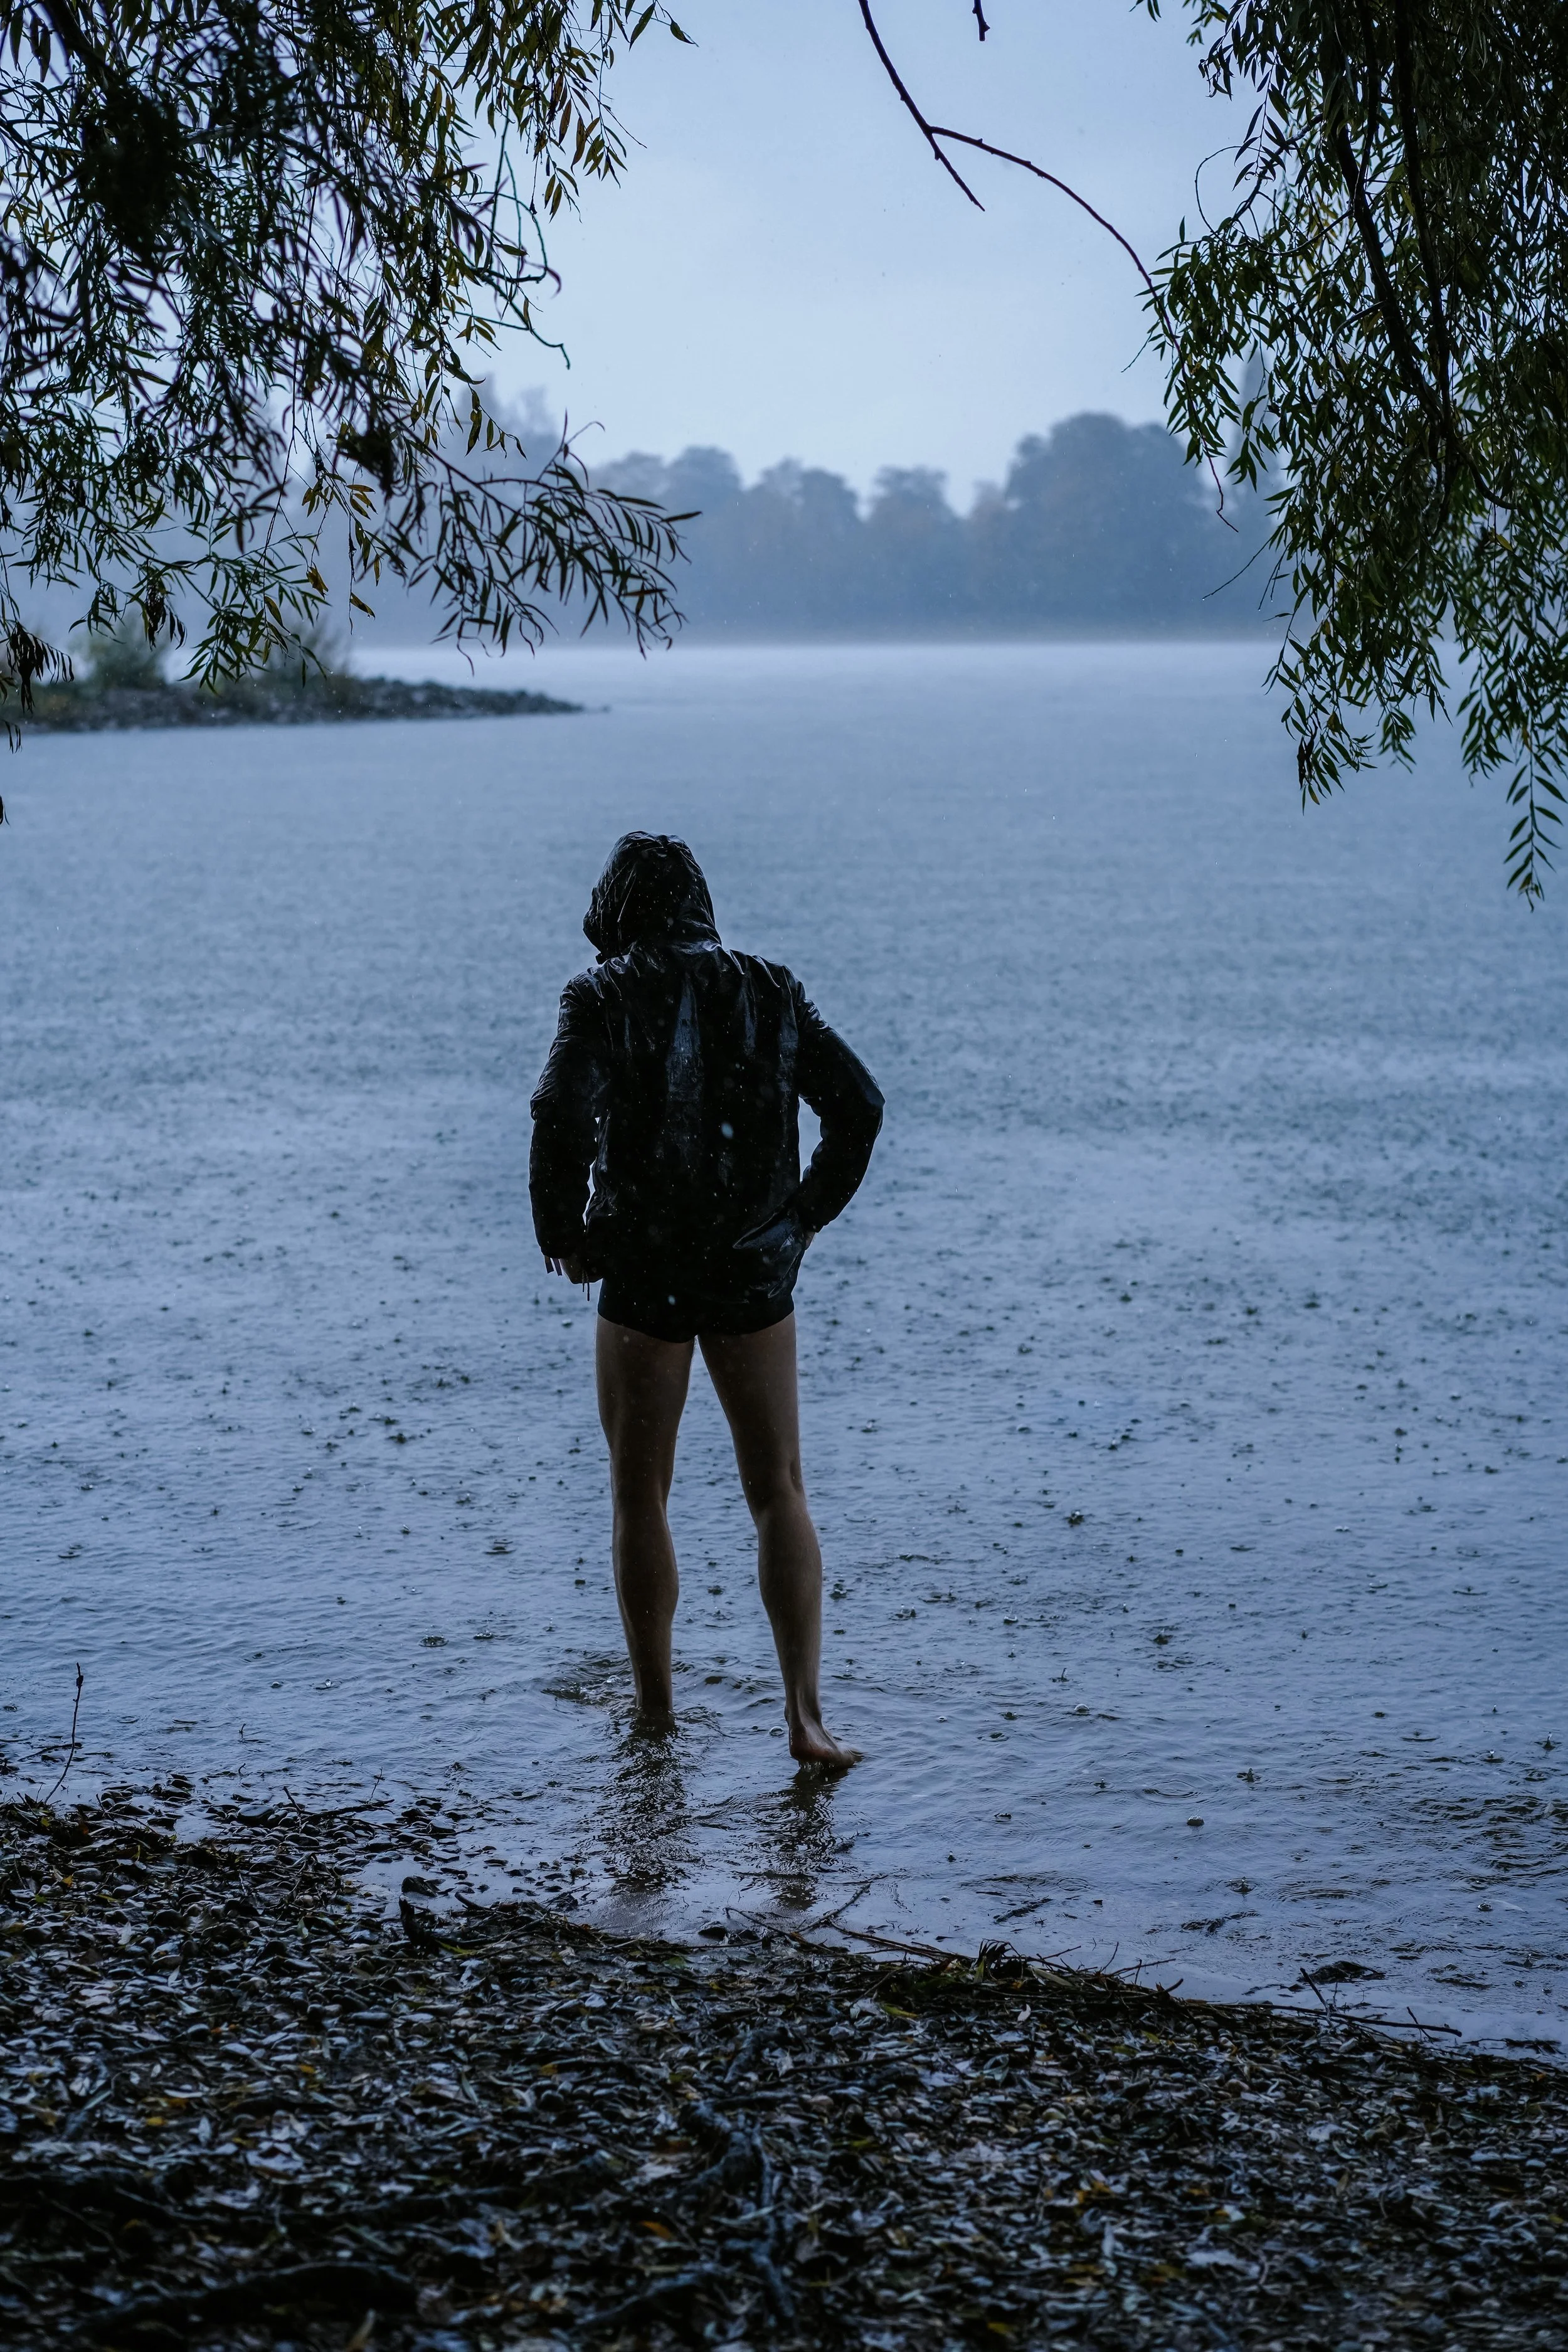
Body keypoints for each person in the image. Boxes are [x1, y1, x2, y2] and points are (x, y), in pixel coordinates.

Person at [530, 832, 883, 1766]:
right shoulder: (770, 986)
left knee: (639, 1492)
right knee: (779, 1490)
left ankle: (655, 1712)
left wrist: (563, 1232)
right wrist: (801, 1219)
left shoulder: (600, 994)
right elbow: (861, 1105)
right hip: (752, 1271)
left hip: (644, 1269)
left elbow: (560, 1111)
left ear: (618, 909)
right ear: (700, 902)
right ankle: (806, 1720)